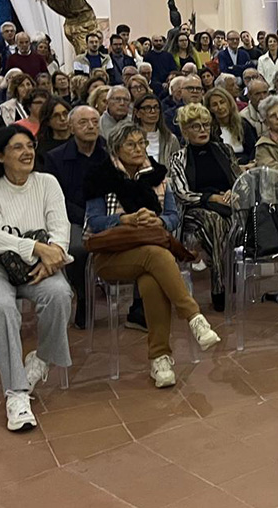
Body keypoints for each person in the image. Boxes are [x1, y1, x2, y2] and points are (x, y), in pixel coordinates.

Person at [85, 124, 220, 388]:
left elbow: (172, 216)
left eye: (141, 143)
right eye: (131, 145)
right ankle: (193, 317)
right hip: (111, 254)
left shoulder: (157, 175)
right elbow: (95, 221)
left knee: (152, 277)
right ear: (116, 149)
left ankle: (160, 359)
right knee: (157, 256)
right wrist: (127, 218)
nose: (138, 149)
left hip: (150, 250)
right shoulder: (100, 176)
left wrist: (155, 221)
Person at [0, 125, 72, 431]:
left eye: (30, 145)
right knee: (1, 307)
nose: (27, 152)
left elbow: (60, 227)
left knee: (60, 294)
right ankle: (17, 394)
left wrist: (53, 256)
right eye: (17, 147)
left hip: (34, 267)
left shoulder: (47, 183)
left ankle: (42, 359)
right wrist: (37, 248)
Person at [170, 103, 240, 310]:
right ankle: (220, 285)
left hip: (227, 205)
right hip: (195, 210)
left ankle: (226, 277)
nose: (202, 130)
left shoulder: (224, 150)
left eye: (206, 126)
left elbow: (239, 181)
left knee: (226, 221)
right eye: (195, 126)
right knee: (215, 221)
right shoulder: (179, 158)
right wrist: (210, 198)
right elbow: (182, 194)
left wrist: (232, 192)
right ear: (185, 131)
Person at [41, 105, 106, 328]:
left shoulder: (109, 152)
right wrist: (86, 216)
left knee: (140, 241)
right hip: (71, 217)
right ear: (70, 127)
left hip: (107, 214)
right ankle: (84, 296)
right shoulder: (55, 158)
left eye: (95, 122)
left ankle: (138, 306)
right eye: (83, 122)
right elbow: (55, 198)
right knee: (77, 248)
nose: (90, 126)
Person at [205, 85, 257, 164]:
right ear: (210, 109)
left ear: (229, 103)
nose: (220, 107)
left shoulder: (243, 124)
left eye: (222, 102)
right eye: (215, 105)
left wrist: (250, 164)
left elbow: (253, 150)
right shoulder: (209, 130)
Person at [127, 92, 179, 164]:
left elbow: (176, 166)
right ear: (137, 113)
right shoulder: (128, 138)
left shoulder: (171, 139)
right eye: (148, 108)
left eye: (156, 107)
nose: (153, 111)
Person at [34, 97, 74, 167]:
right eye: (56, 116)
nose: (63, 118)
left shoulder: (79, 141)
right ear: (48, 121)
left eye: (65, 114)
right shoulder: (42, 148)